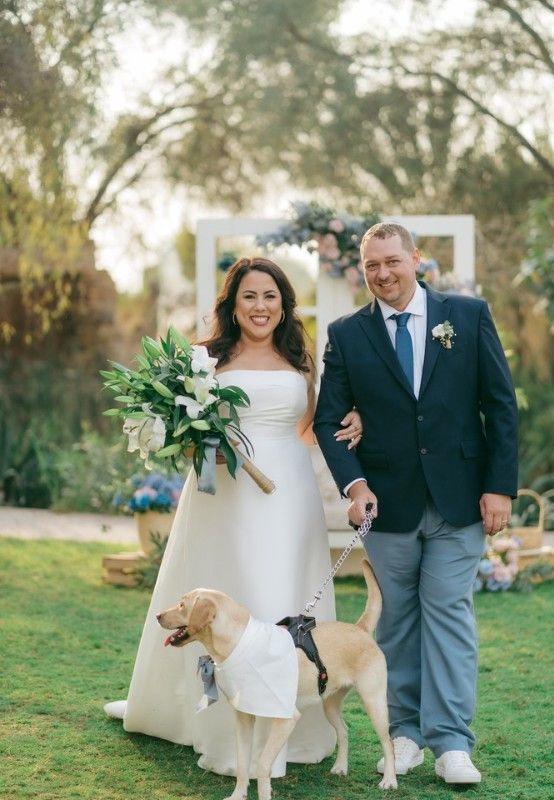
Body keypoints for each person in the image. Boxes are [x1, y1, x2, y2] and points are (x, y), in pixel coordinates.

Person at [104, 257, 363, 778]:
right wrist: (198, 444)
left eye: (270, 296)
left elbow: (309, 428)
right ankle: (214, 720)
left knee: (285, 597)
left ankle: (285, 720)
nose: (260, 306)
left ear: (284, 305)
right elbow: (184, 432)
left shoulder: (300, 359)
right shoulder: (204, 360)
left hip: (289, 496)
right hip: (225, 495)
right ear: (233, 303)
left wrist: (354, 418)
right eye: (250, 296)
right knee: (236, 589)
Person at [313, 222, 518, 785]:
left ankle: (451, 742)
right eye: (372, 265)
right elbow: (329, 420)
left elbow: (500, 405)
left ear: (416, 259)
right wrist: (355, 486)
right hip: (386, 504)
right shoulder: (347, 334)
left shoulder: (468, 317)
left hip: (461, 498)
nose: (383, 274)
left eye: (392, 262)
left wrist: (499, 486)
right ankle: (404, 735)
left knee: (449, 612)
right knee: (397, 620)